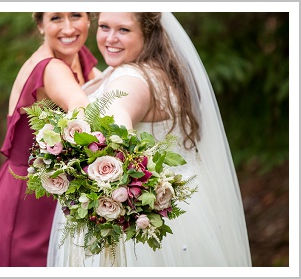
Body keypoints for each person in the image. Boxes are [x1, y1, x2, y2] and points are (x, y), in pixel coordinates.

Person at [47, 12, 251, 266]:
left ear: (147, 33)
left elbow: (117, 125)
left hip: (135, 231)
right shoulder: (159, 70)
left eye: (124, 30)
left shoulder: (130, 80)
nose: (111, 38)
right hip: (187, 214)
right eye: (105, 27)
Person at [0, 12, 99, 267]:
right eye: (55, 19)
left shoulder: (79, 58)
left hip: (58, 192)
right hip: (28, 198)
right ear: (40, 25)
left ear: (89, 20)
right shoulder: (50, 68)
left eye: (76, 15)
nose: (68, 28)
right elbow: (81, 106)